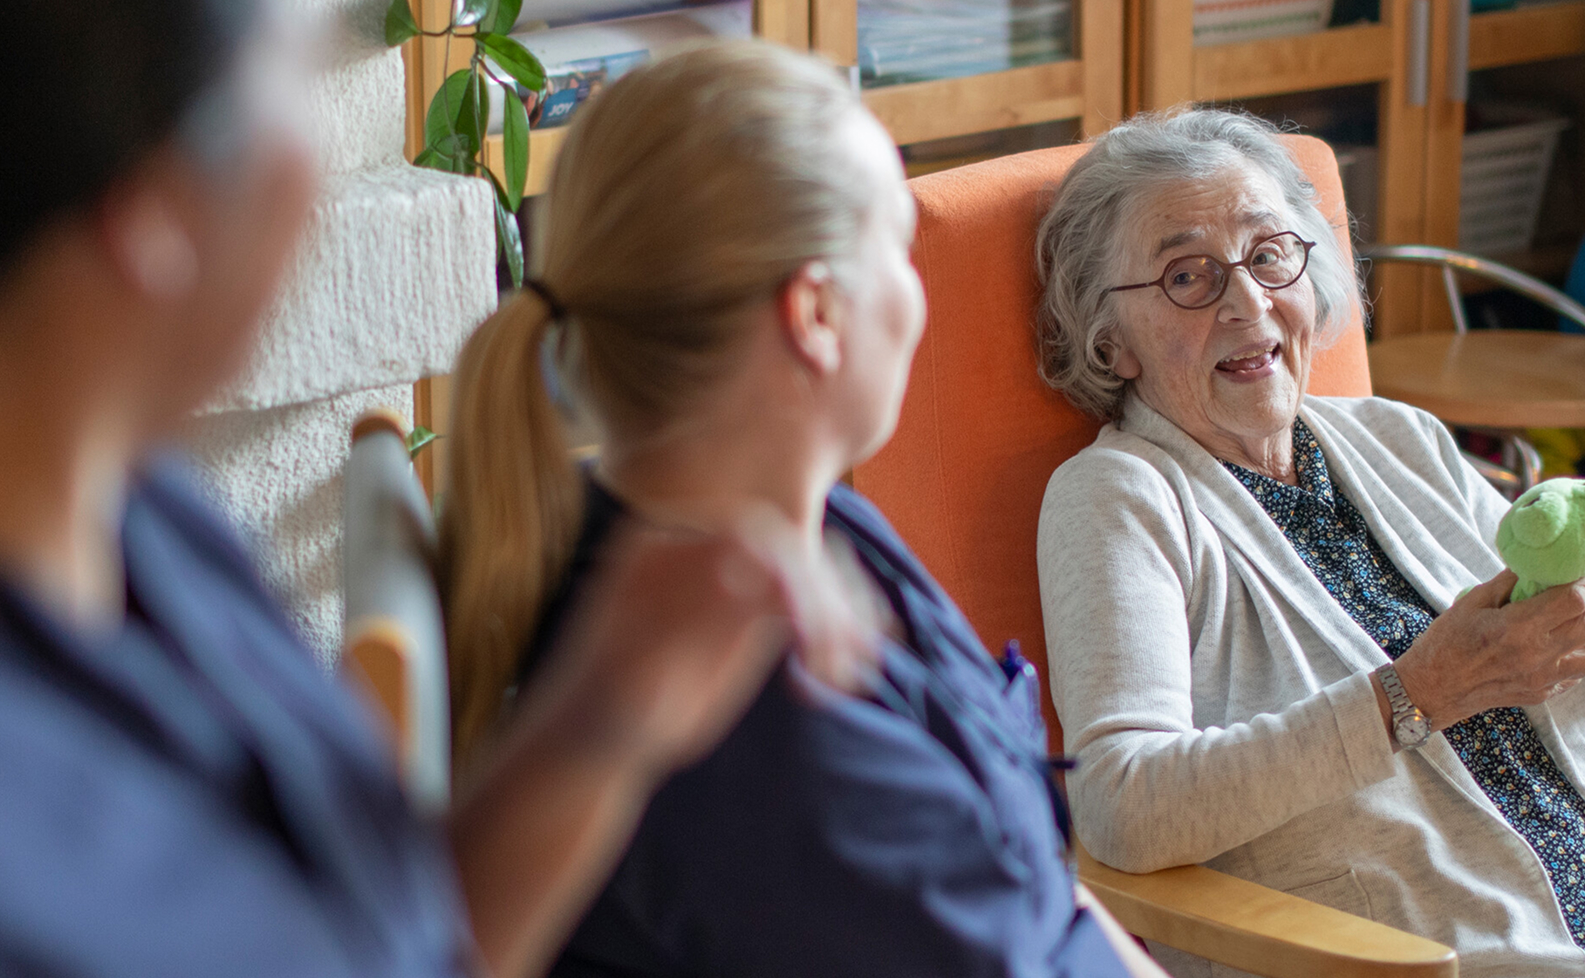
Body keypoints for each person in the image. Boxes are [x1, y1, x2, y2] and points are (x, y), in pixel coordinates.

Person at [0, 3, 858, 976]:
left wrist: (605, 715)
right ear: (146, 206)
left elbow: (386, 942)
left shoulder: (134, 519)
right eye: (303, 58)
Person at [437, 41, 1163, 978]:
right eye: (898, 249)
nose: (920, 293)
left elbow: (1044, 892)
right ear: (816, 313)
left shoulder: (820, 529)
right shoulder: (761, 730)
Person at [1028, 105, 1585, 978]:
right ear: (1109, 339)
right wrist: (1416, 693)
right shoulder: (1119, 497)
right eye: (1186, 277)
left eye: (1270, 254)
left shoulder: (1401, 438)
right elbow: (1124, 806)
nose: (1248, 302)